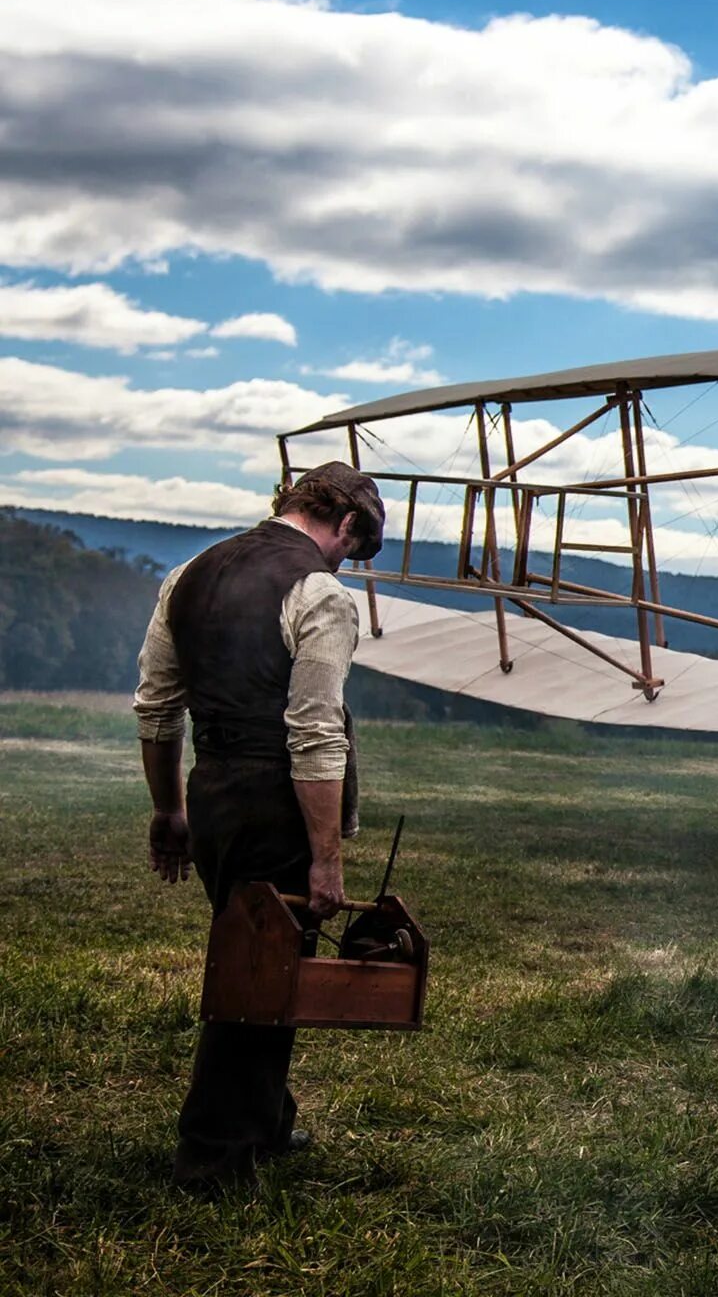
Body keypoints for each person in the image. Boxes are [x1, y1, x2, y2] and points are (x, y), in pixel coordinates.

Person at [134, 460, 385, 1194]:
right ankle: (212, 1157)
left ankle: (268, 1119)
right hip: (275, 802)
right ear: (345, 523)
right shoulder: (320, 593)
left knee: (266, 958)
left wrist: (168, 808)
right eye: (355, 549)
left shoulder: (189, 573)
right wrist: (327, 858)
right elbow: (313, 736)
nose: (348, 563)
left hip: (211, 796)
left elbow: (156, 707)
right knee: (261, 973)